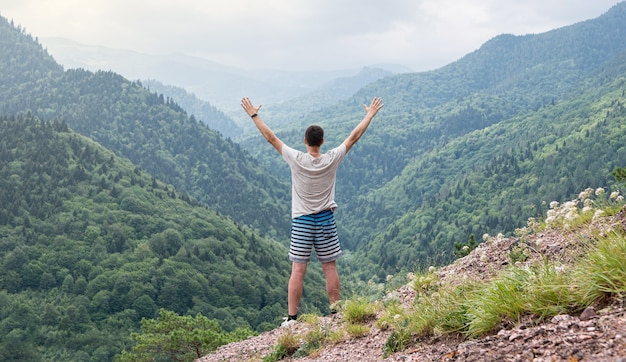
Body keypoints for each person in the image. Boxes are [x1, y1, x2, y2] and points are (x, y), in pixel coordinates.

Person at [240, 96, 384, 325]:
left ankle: (292, 318)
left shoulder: (296, 159)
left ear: (305, 140)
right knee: (329, 267)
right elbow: (354, 137)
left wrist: (253, 114)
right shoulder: (331, 159)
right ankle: (336, 313)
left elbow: (271, 138)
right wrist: (369, 114)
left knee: (298, 270)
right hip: (326, 219)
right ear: (323, 141)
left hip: (302, 221)